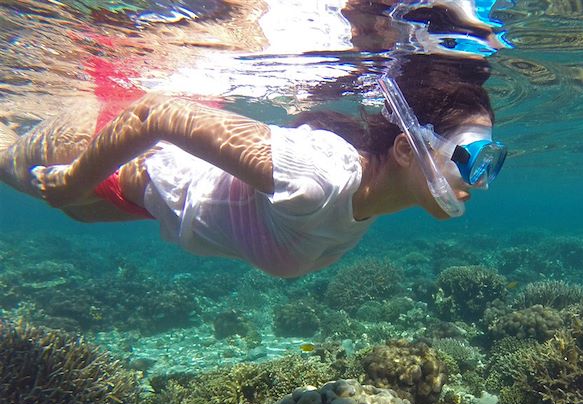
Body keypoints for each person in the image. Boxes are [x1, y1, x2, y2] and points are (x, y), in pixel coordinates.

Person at [0, 73, 506, 278]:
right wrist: (73, 181)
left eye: (492, 160)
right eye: (469, 154)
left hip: (138, 200)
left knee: (69, 209)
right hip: (111, 154)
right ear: (403, 147)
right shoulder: (321, 174)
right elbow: (153, 113)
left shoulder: (371, 199)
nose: (481, 179)